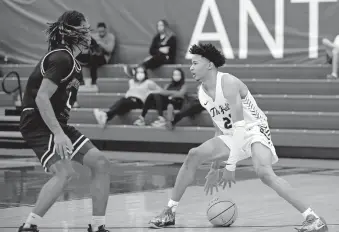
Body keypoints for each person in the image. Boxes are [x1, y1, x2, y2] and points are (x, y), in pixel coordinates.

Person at [148, 43, 328, 232]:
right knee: (194, 154)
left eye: (195, 63)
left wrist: (230, 166)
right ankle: (169, 212)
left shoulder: (228, 83)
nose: (191, 68)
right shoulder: (202, 93)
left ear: (209, 65)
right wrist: (215, 166)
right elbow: (219, 128)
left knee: (264, 173)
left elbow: (241, 127)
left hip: (254, 129)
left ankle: (313, 218)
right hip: (232, 133)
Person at [18, 11, 111, 232]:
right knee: (65, 173)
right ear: (74, 33)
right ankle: (29, 226)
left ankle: (98, 227)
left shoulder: (73, 62)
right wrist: (58, 134)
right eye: (86, 29)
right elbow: (42, 97)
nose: (90, 34)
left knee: (100, 163)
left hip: (56, 121)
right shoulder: (61, 58)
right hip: (38, 120)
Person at [93, 66, 162, 126]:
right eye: (138, 72)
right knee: (121, 104)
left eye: (142, 72)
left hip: (138, 102)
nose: (140, 74)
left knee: (123, 101)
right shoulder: (131, 82)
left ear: (145, 73)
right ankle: (106, 116)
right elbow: (130, 73)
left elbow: (160, 90)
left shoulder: (148, 82)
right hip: (128, 100)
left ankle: (105, 115)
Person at [77, 22, 115, 90]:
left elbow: (110, 49)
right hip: (92, 55)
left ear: (106, 30)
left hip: (104, 58)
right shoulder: (94, 36)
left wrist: (100, 44)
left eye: (103, 31)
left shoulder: (110, 37)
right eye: (99, 31)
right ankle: (80, 81)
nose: (101, 33)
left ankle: (94, 82)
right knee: (78, 58)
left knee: (94, 58)